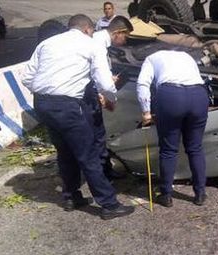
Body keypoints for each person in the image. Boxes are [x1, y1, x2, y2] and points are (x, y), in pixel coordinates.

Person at [21, 14, 134, 220]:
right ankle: (109, 204)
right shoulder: (90, 45)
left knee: (65, 151)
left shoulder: (47, 43)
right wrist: (111, 98)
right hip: (68, 105)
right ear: (88, 29)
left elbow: (26, 77)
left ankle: (72, 196)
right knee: (88, 154)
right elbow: (105, 82)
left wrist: (47, 92)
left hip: (42, 104)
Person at [137, 50, 209, 207]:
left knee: (169, 150)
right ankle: (200, 193)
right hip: (199, 95)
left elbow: (142, 84)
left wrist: (146, 111)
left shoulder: (150, 58)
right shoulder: (186, 55)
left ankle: (166, 195)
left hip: (171, 96)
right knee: (195, 147)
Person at [87, 15, 134, 181]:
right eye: (125, 37)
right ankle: (101, 175)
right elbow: (103, 83)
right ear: (118, 33)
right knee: (95, 136)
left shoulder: (97, 40)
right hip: (86, 97)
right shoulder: (98, 45)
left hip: (86, 93)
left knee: (97, 135)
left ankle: (104, 170)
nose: (125, 41)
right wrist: (110, 99)